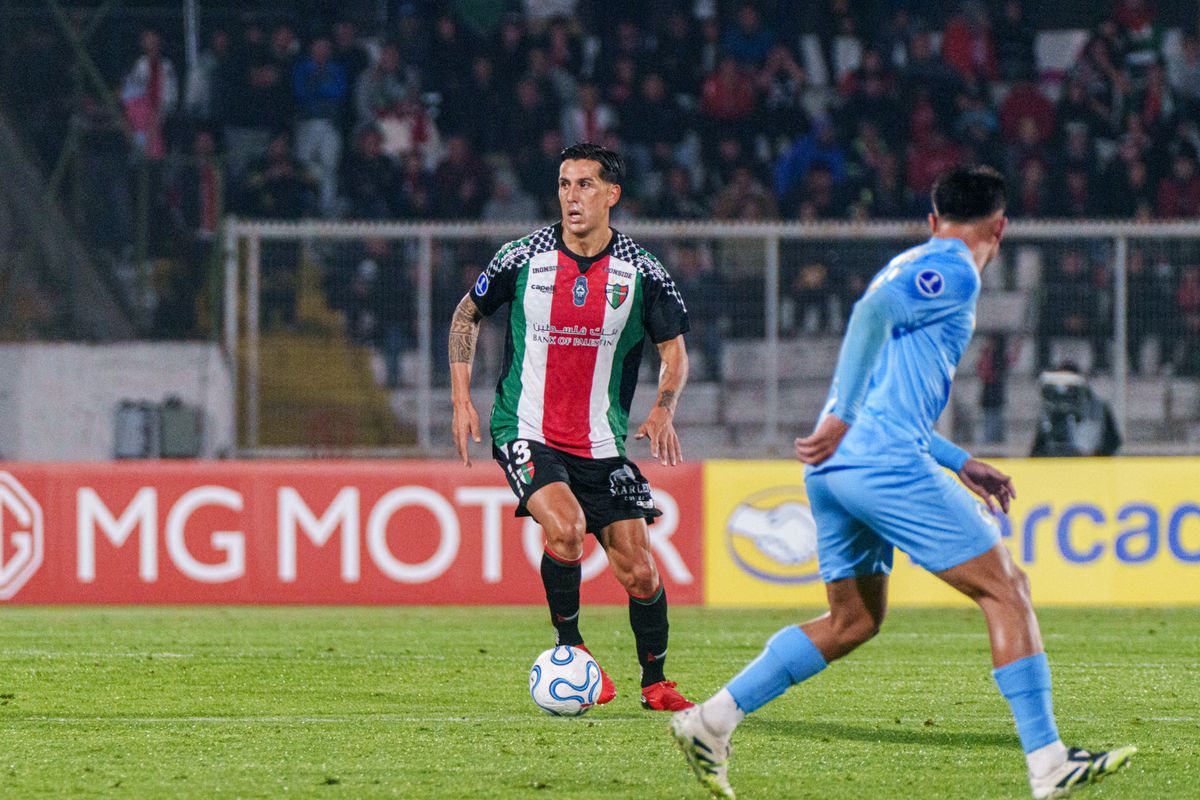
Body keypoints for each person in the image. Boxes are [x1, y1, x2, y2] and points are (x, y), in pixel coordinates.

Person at [671, 166, 1136, 800]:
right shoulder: (956, 268)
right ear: (999, 228)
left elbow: (892, 381)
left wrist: (955, 457)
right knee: (1007, 589)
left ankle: (711, 720)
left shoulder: (914, 264)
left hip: (837, 470)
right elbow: (869, 313)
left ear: (931, 217)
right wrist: (839, 411)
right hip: (879, 460)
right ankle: (1049, 762)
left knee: (853, 621)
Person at [449, 142, 694, 712]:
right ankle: (572, 650)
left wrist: (663, 406)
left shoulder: (642, 273)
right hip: (525, 426)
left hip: (602, 441)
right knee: (565, 525)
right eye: (564, 184)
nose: (571, 196)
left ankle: (656, 684)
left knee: (640, 571)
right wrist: (461, 400)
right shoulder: (521, 256)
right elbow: (467, 313)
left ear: (612, 195)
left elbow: (674, 353)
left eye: (585, 184)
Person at [1030, 364, 1122, 457]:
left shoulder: (1099, 408)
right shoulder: (1049, 411)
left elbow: (1113, 440)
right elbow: (1039, 446)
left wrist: (1096, 455)